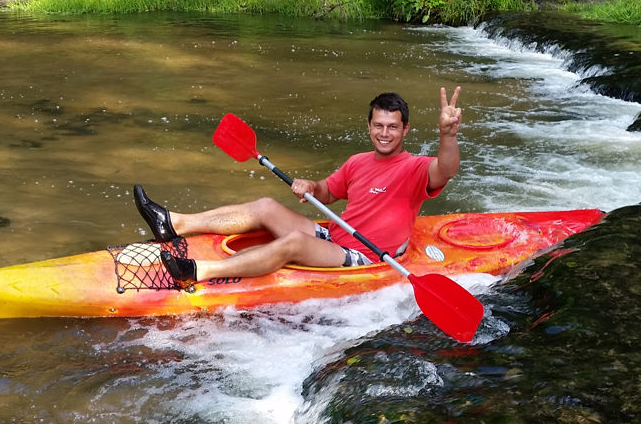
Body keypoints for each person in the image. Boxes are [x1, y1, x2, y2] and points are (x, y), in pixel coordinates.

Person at [134, 86, 462, 285]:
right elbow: (327, 192)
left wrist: (447, 134)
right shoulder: (357, 161)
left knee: (292, 243)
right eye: (379, 125)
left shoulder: (416, 168)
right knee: (265, 206)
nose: (385, 133)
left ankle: (198, 271)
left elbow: (446, 169)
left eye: (393, 127)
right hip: (335, 235)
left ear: (405, 130)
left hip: (367, 257)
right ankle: (174, 223)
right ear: (369, 126)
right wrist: (310, 186)